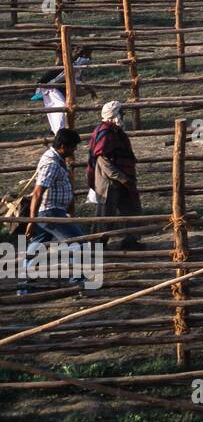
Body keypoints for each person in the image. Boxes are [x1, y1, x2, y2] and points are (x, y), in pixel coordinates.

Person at [23, 128, 85, 290]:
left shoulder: (56, 159)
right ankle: (76, 279)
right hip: (50, 212)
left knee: (37, 244)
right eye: (72, 147)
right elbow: (38, 193)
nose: (74, 150)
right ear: (63, 146)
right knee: (77, 242)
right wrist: (32, 220)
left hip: (51, 211)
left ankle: (24, 281)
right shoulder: (51, 163)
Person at [86, 101, 142, 250]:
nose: (123, 116)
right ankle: (97, 246)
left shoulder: (115, 132)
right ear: (114, 115)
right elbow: (102, 160)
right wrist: (121, 178)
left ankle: (131, 240)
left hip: (122, 179)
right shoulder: (104, 132)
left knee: (132, 210)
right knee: (105, 216)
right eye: (120, 113)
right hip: (109, 182)